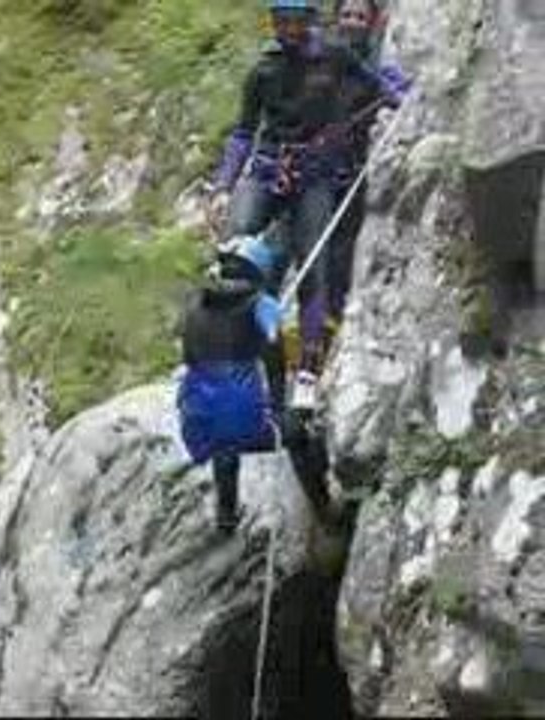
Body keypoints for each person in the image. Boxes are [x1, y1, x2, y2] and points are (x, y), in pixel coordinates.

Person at [208, 0, 409, 411]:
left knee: (312, 268)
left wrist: (402, 96)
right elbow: (244, 132)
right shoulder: (263, 70)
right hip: (267, 171)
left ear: (310, 21)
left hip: (314, 179)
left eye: (296, 21)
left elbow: (375, 86)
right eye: (282, 22)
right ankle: (259, 356)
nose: (289, 30)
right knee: (233, 256)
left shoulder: (335, 55)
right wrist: (223, 186)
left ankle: (308, 369)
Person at [176, 230, 338, 535]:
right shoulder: (261, 305)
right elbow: (275, 358)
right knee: (299, 435)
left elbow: (190, 357)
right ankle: (324, 509)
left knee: (224, 443)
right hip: (241, 422)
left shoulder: (193, 304)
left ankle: (226, 518)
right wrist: (282, 408)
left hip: (196, 421)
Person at [328, 0, 411, 322]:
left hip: (351, 170)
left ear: (373, 23)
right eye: (346, 15)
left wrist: (395, 93)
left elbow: (402, 92)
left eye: (360, 17)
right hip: (312, 173)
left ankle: (331, 319)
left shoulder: (376, 67)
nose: (352, 22)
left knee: (340, 249)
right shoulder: (319, 61)